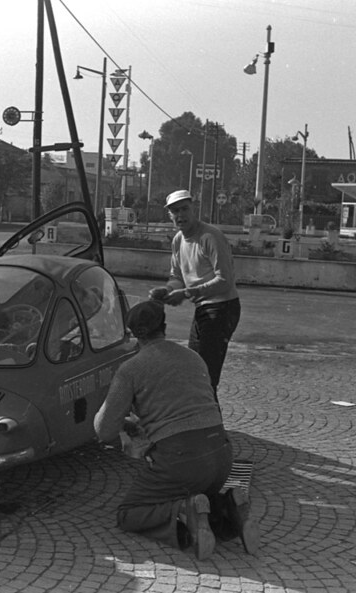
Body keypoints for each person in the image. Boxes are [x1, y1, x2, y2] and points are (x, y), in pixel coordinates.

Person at [93, 300, 260, 560]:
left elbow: (104, 431)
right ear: (165, 327)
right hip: (222, 455)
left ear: (134, 334)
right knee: (197, 486)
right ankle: (228, 505)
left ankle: (185, 509)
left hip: (181, 459)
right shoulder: (193, 357)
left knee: (129, 513)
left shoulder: (131, 369)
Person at [148, 190, 240, 402]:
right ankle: (204, 425)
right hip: (203, 309)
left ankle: (212, 429)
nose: (180, 215)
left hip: (222, 307)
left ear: (193, 208)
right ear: (169, 215)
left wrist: (188, 292)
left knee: (205, 375)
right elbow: (177, 276)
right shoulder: (179, 240)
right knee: (195, 370)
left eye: (184, 209)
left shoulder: (210, 236)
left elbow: (225, 280)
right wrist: (168, 290)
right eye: (174, 211)